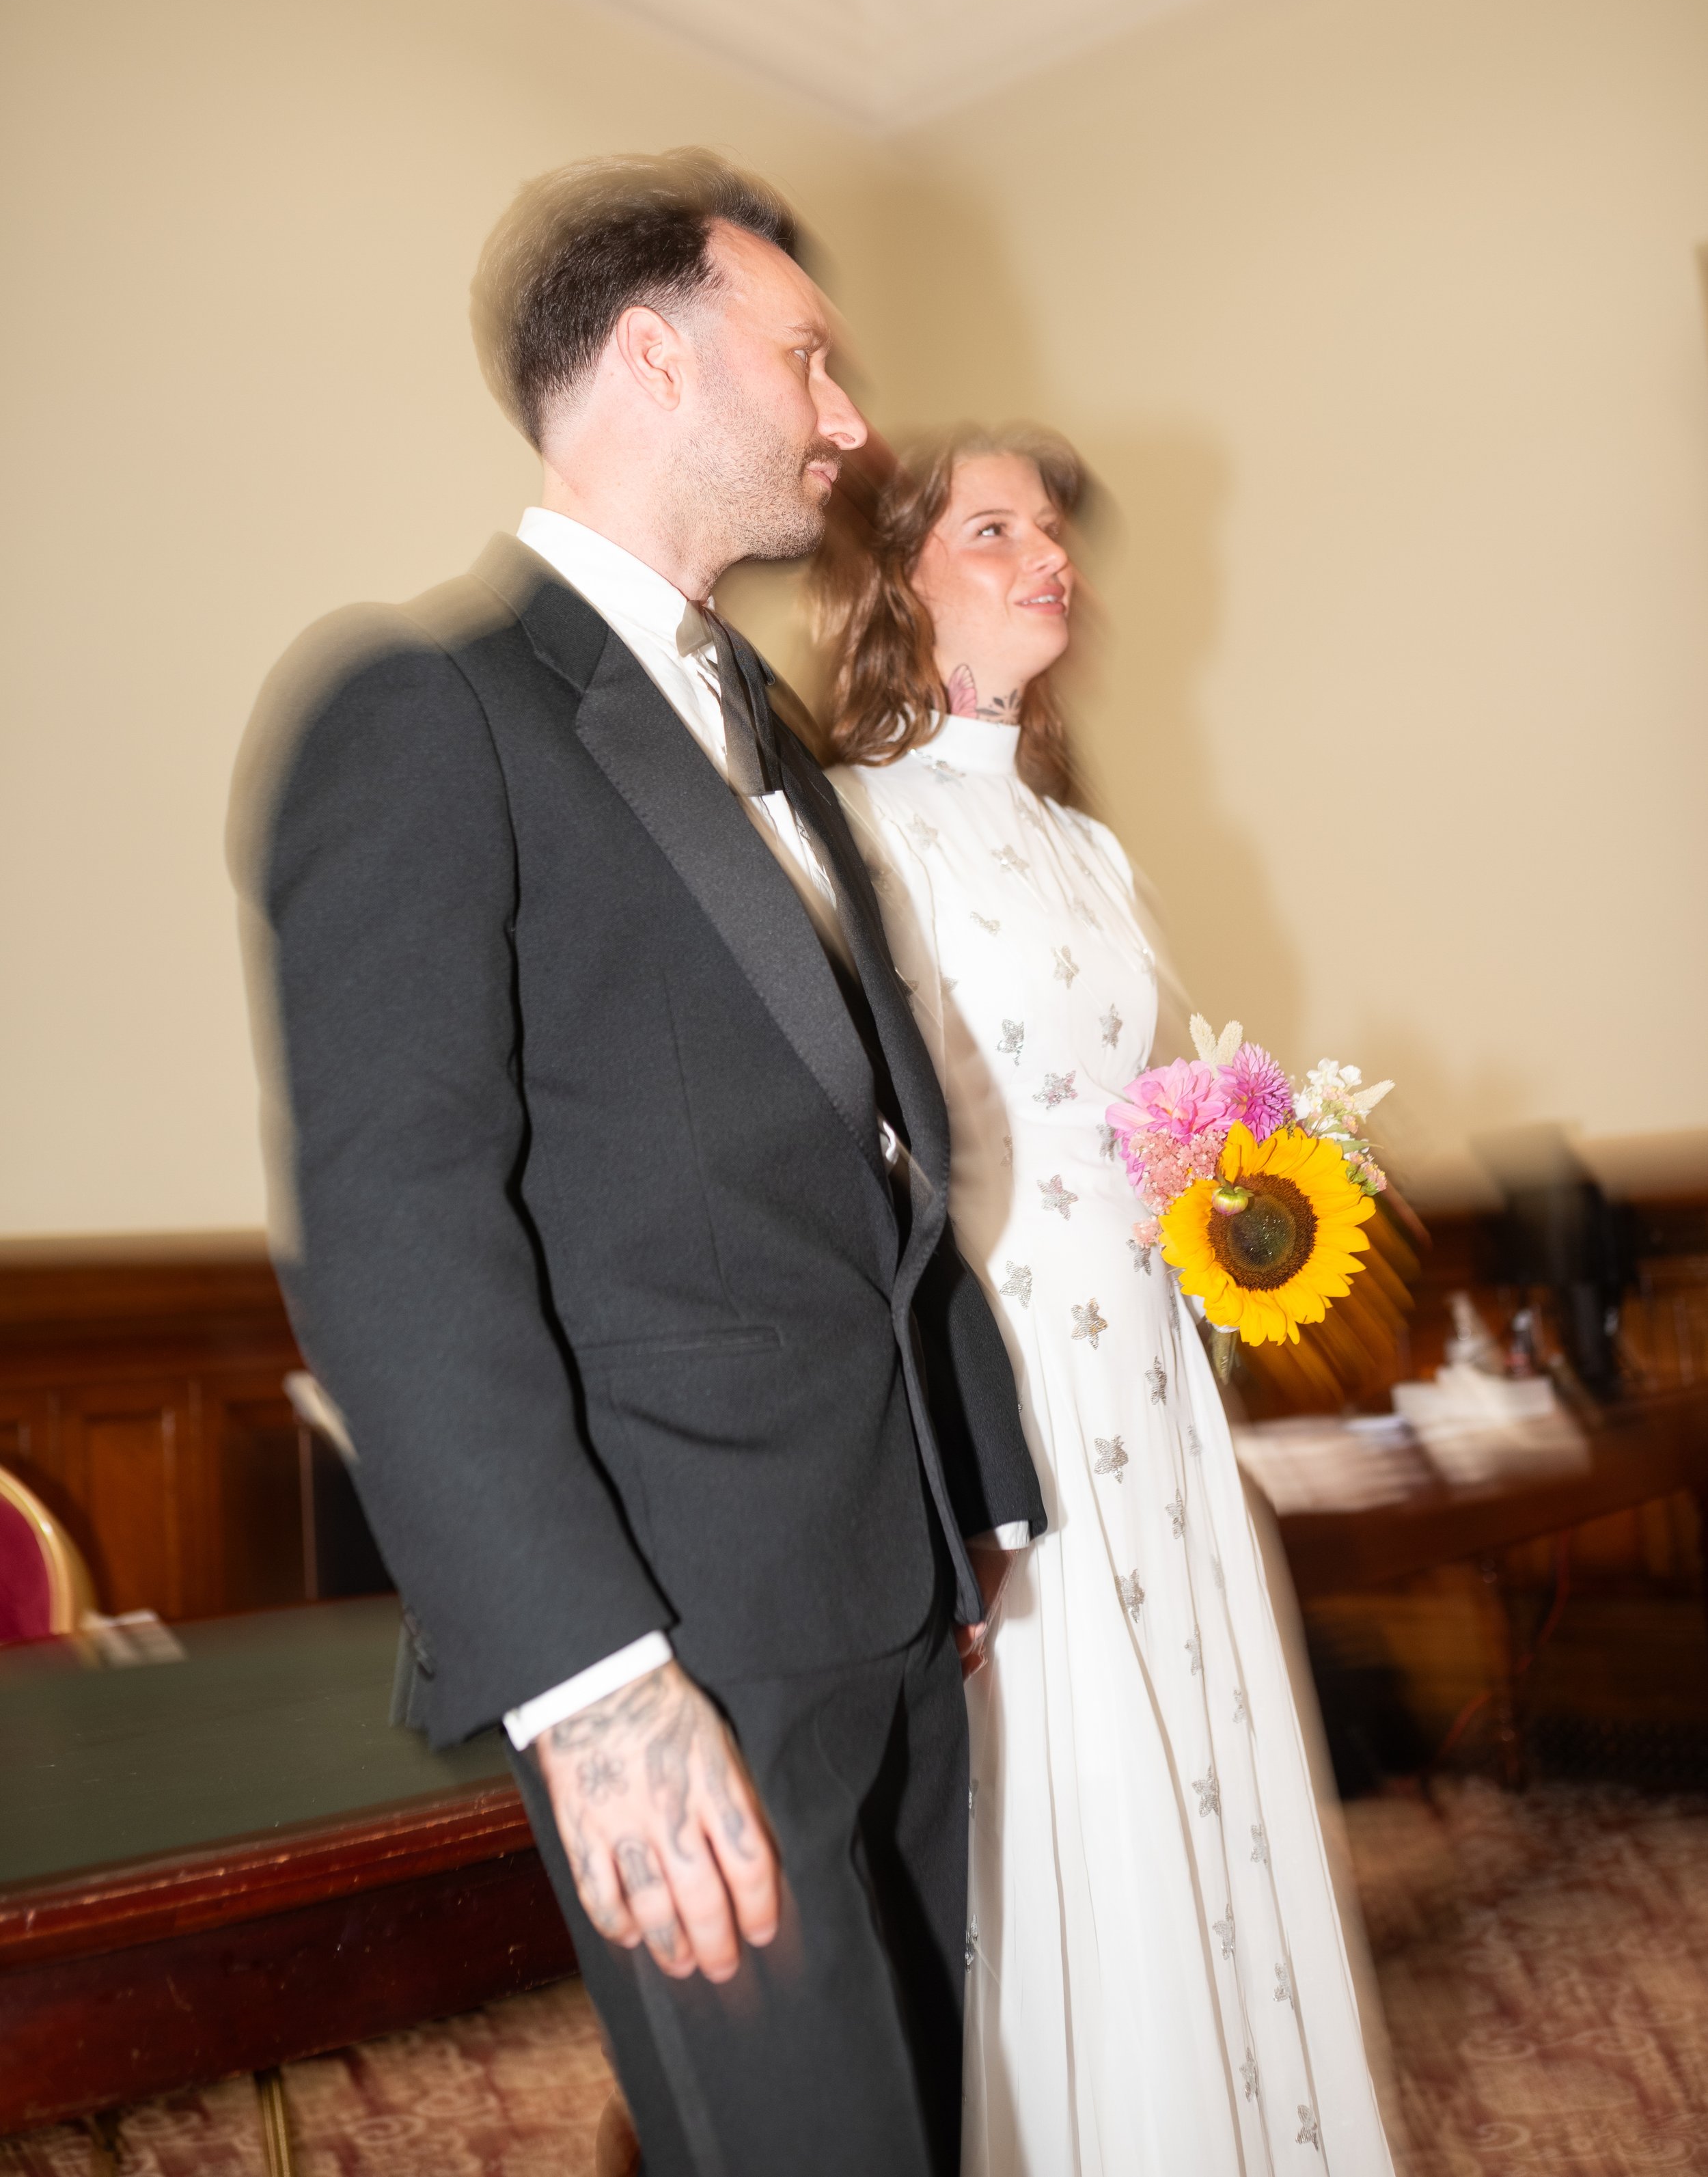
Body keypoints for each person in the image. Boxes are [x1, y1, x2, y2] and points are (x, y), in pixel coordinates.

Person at [230, 156, 1044, 2177]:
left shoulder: (756, 726)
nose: (846, 418)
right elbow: (397, 1235)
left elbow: (869, 1154)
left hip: (891, 1596)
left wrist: (971, 1494)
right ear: (654, 359)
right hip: (681, 1638)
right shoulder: (425, 710)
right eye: (807, 359)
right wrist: (593, 1688)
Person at [816, 426, 1396, 2176]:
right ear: (896, 582)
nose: (1044, 553)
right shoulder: (856, 827)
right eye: (992, 528)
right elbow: (874, 1149)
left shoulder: (1084, 844)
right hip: (1012, 1364)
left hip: (1149, 1363)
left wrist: (1244, 1176)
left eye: (1051, 526)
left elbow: (1132, 1109)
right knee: (1070, 1768)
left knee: (1199, 1744)